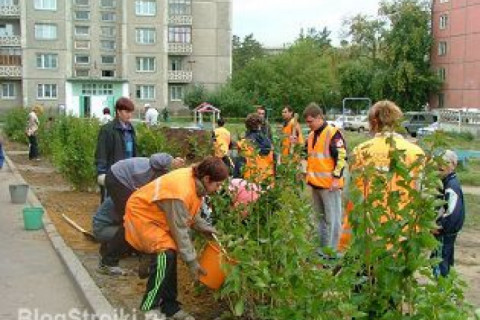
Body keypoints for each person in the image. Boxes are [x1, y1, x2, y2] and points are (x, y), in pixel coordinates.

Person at [124, 157, 229, 320]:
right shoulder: (180, 191)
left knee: (169, 254)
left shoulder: (195, 181)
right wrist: (192, 262)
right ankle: (148, 306)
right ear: (207, 178)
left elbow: (189, 213)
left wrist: (205, 227)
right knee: (166, 254)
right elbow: (180, 230)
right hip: (142, 216)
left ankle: (170, 307)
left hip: (158, 217)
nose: (218, 188)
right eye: (218, 184)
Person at [95, 153, 184, 275]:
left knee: (134, 221)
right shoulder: (146, 173)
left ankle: (114, 251)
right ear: (160, 171)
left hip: (119, 175)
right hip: (117, 179)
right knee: (131, 222)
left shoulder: (158, 167)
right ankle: (108, 262)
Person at [303, 102, 347, 255]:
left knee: (333, 220)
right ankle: (322, 249)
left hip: (330, 185)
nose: (308, 125)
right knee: (320, 219)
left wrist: (336, 178)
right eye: (307, 122)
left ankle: (332, 252)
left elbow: (341, 157)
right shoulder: (311, 135)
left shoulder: (332, 133)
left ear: (319, 117)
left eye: (310, 121)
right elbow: (307, 155)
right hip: (315, 184)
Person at [95, 97, 137, 203]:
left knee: (124, 204)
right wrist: (101, 173)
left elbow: (134, 153)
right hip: (113, 173)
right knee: (109, 204)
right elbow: (101, 153)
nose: (129, 115)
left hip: (127, 173)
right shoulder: (107, 130)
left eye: (131, 112)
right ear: (118, 111)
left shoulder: (131, 130)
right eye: (126, 112)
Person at [433, 150, 465, 277]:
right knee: (445, 260)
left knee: (440, 262)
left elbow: (453, 212)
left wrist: (440, 227)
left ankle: (441, 291)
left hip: (444, 232)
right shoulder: (445, 182)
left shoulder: (451, 185)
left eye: (445, 162)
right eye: (438, 162)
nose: (441, 166)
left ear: (454, 165)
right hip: (447, 231)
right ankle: (445, 288)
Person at [236, 113, 274, 185]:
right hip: (267, 180)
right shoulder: (269, 142)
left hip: (249, 183)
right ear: (260, 125)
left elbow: (239, 167)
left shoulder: (243, 144)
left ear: (247, 126)